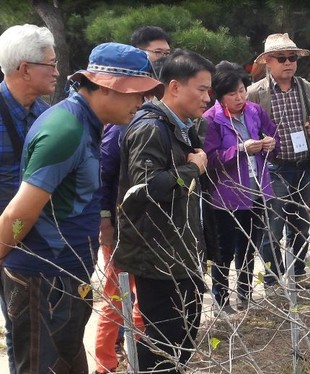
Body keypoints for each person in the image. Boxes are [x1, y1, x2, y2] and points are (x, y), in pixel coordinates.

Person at [0, 42, 163, 373]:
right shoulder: (66, 129)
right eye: (136, 93)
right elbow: (20, 214)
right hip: (43, 279)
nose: (142, 102)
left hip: (65, 275)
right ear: (106, 87)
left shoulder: (88, 123)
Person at [113, 48, 214, 373]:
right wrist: (192, 171)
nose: (208, 98)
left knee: (181, 339)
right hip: (157, 257)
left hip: (179, 253)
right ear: (174, 87)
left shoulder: (181, 127)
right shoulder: (150, 128)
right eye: (201, 89)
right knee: (163, 343)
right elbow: (144, 191)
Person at [94, 25, 171, 374]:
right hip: (123, 225)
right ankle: (105, 363)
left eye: (167, 54)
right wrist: (106, 220)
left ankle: (132, 358)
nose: (162, 60)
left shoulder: (146, 114)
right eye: (157, 54)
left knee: (135, 299)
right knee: (116, 296)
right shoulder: (121, 123)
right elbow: (105, 175)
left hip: (142, 227)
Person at [0, 23, 57, 374]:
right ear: (25, 69)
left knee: (35, 327)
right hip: (4, 237)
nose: (57, 71)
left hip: (38, 237)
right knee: (17, 325)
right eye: (50, 65)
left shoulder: (47, 114)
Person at [247, 33, 310, 289]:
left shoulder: (305, 87)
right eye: (281, 58)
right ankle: (273, 279)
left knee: (300, 226)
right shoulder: (254, 93)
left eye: (291, 57)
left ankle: (298, 273)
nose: (288, 62)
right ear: (268, 61)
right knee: (272, 228)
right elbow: (247, 130)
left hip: (303, 167)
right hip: (273, 168)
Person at [203, 61, 279, 314]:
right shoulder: (211, 120)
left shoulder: (254, 111)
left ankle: (246, 294)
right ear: (219, 95)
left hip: (256, 190)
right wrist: (241, 149)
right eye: (232, 93)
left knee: (249, 246)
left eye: (242, 91)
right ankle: (221, 299)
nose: (239, 97)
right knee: (224, 249)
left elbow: (272, 133)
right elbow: (210, 159)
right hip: (226, 196)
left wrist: (269, 143)